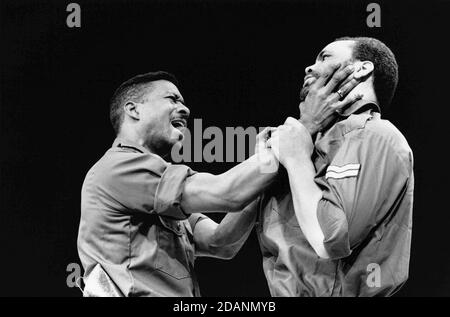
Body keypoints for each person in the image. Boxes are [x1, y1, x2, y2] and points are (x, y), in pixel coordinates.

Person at [77, 69, 361, 297]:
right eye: (172, 99)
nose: (185, 109)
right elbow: (226, 193)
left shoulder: (153, 186)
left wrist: (266, 174)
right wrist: (302, 129)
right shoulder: (119, 168)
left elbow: (220, 242)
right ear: (133, 110)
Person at [257, 37, 414, 296]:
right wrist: (264, 164)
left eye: (324, 57)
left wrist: (295, 159)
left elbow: (328, 240)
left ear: (361, 68)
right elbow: (222, 240)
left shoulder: (379, 136)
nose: (309, 67)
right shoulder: (294, 143)